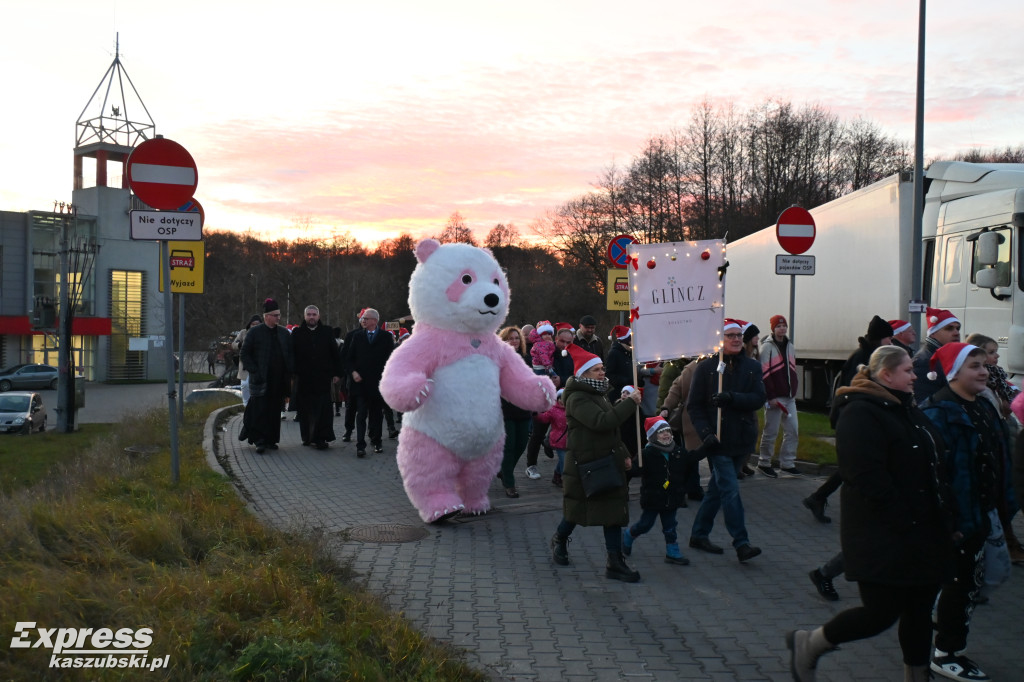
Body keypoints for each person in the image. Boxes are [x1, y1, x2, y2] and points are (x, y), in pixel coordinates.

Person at [787, 345, 953, 682]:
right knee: (880, 613)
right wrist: (906, 522)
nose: (915, 376)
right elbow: (866, 477)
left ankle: (916, 674)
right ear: (886, 374)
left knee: (920, 611)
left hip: (923, 533)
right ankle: (812, 643)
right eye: (908, 370)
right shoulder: (861, 413)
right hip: (883, 535)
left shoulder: (904, 407)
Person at [922, 343, 1017, 682]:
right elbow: (932, 475)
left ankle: (942, 613)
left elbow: (998, 456)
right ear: (954, 373)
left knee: (991, 575)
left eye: (984, 365)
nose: (984, 371)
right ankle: (946, 651)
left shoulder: (983, 406)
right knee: (963, 584)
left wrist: (1007, 504)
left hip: (984, 513)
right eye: (974, 366)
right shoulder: (937, 412)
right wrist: (950, 522)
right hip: (959, 521)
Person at [550, 343, 643, 582]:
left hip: (605, 459)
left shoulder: (598, 392)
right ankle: (560, 538)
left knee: (611, 510)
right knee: (577, 510)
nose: (603, 372)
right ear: (583, 373)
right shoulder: (578, 397)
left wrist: (623, 453)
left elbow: (610, 434)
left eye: (603, 368)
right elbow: (602, 422)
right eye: (597, 369)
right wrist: (629, 404)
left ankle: (614, 562)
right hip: (585, 463)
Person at [804, 314, 895, 525]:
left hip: (857, 419)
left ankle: (818, 497)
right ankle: (821, 498)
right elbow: (851, 391)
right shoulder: (862, 358)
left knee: (852, 466)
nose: (891, 342)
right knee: (854, 466)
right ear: (878, 339)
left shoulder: (869, 355)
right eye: (888, 338)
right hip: (852, 420)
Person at [687, 318, 765, 562]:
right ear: (719, 340)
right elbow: (694, 407)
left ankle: (699, 534)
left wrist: (732, 398)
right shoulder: (706, 368)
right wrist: (706, 433)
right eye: (730, 335)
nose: (736, 339)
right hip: (717, 441)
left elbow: (758, 398)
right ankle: (741, 542)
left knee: (716, 490)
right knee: (730, 490)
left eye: (739, 336)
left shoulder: (752, 367)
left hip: (741, 439)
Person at [621, 417, 691, 566]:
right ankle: (629, 534)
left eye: (667, 431)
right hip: (653, 497)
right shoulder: (646, 454)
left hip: (672, 496)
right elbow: (634, 470)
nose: (666, 434)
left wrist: (708, 447)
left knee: (670, 525)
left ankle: (672, 551)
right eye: (661, 432)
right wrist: (629, 467)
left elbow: (692, 459)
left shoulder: (677, 451)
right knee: (645, 524)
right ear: (653, 436)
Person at [239, 298, 295, 454]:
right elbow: (245, 353)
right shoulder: (255, 332)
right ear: (267, 316)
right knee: (260, 410)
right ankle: (260, 440)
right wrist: (254, 370)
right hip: (261, 379)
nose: (278, 317)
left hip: (279, 379)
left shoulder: (284, 333)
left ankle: (271, 439)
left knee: (274, 410)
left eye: (279, 315)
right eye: (275, 315)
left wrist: (290, 370)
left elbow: (290, 353)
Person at [524, 326, 574, 480]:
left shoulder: (573, 354)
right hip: (544, 398)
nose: (564, 345)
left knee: (565, 433)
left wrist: (562, 380)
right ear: (555, 339)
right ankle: (531, 465)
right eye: (562, 341)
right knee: (537, 433)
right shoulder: (546, 350)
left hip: (564, 399)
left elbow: (575, 374)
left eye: (568, 342)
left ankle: (559, 472)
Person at [290, 305, 343, 450]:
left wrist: (337, 373)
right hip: (304, 379)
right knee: (305, 410)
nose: (312, 317)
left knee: (323, 410)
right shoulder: (297, 333)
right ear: (305, 316)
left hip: (322, 378)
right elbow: (292, 355)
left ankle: (321, 438)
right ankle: (307, 437)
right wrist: (293, 373)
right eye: (309, 314)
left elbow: (335, 354)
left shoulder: (327, 332)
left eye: (314, 314)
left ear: (318, 316)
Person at [343, 308, 394, 458]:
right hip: (360, 384)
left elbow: (391, 360)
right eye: (362, 318)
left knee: (376, 414)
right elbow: (349, 359)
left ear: (374, 321)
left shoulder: (385, 337)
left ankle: (377, 441)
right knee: (361, 414)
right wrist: (353, 372)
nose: (363, 321)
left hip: (378, 384)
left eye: (366, 318)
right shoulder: (357, 337)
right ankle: (360, 445)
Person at [757, 315, 800, 478]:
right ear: (773, 329)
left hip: (789, 397)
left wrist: (794, 389)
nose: (782, 329)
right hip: (774, 398)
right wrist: (771, 396)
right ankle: (764, 462)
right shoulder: (767, 347)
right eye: (779, 326)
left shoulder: (790, 346)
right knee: (771, 430)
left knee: (793, 430)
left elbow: (793, 368)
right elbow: (764, 373)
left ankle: (788, 463)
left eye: (784, 326)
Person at [498, 326, 534, 497]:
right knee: (509, 445)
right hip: (505, 408)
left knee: (521, 444)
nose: (514, 341)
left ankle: (505, 471)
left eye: (516, 338)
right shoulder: (498, 360)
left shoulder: (525, 359)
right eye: (510, 338)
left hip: (523, 407)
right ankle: (509, 483)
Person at [912, 307, 960, 403]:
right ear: (933, 333)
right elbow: (926, 405)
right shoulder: (924, 362)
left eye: (958, 328)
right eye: (949, 328)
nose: (956, 333)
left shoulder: (946, 356)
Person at [536, 388, 567, 487]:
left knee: (563, 460)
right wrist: (536, 414)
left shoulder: (572, 409)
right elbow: (544, 418)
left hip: (570, 440)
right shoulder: (553, 410)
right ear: (557, 399)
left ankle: (556, 475)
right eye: (561, 398)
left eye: (566, 398)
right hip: (558, 440)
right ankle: (565, 480)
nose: (563, 401)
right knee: (565, 461)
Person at [233, 314, 263, 406]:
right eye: (253, 324)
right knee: (245, 385)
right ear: (249, 324)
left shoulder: (263, 333)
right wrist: (239, 345)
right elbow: (234, 343)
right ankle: (246, 405)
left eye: (257, 324)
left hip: (259, 364)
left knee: (259, 387)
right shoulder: (243, 333)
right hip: (245, 365)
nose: (255, 326)